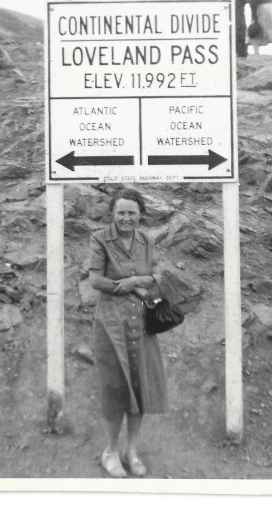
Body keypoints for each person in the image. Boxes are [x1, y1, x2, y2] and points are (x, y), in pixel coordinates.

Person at [86, 188, 168, 478]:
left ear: (140, 214)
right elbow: (95, 278)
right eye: (121, 212)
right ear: (112, 213)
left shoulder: (147, 240)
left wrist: (132, 280)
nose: (126, 218)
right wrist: (130, 285)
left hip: (142, 323)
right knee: (114, 389)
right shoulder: (100, 238)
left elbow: (157, 275)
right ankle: (110, 451)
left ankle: (131, 450)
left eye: (132, 212)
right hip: (111, 324)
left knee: (140, 385)